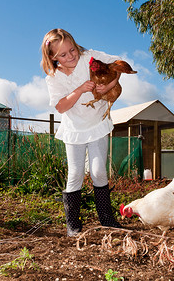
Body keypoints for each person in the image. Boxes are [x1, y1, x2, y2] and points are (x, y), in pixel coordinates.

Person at [41, 28, 122, 237]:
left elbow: (118, 64)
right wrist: (79, 90)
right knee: (75, 173)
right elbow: (60, 107)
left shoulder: (89, 57)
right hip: (74, 129)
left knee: (98, 172)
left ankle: (107, 219)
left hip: (97, 124)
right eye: (63, 55)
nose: (71, 56)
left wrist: (108, 86)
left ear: (76, 45)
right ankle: (73, 225)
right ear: (53, 57)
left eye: (72, 50)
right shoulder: (53, 78)